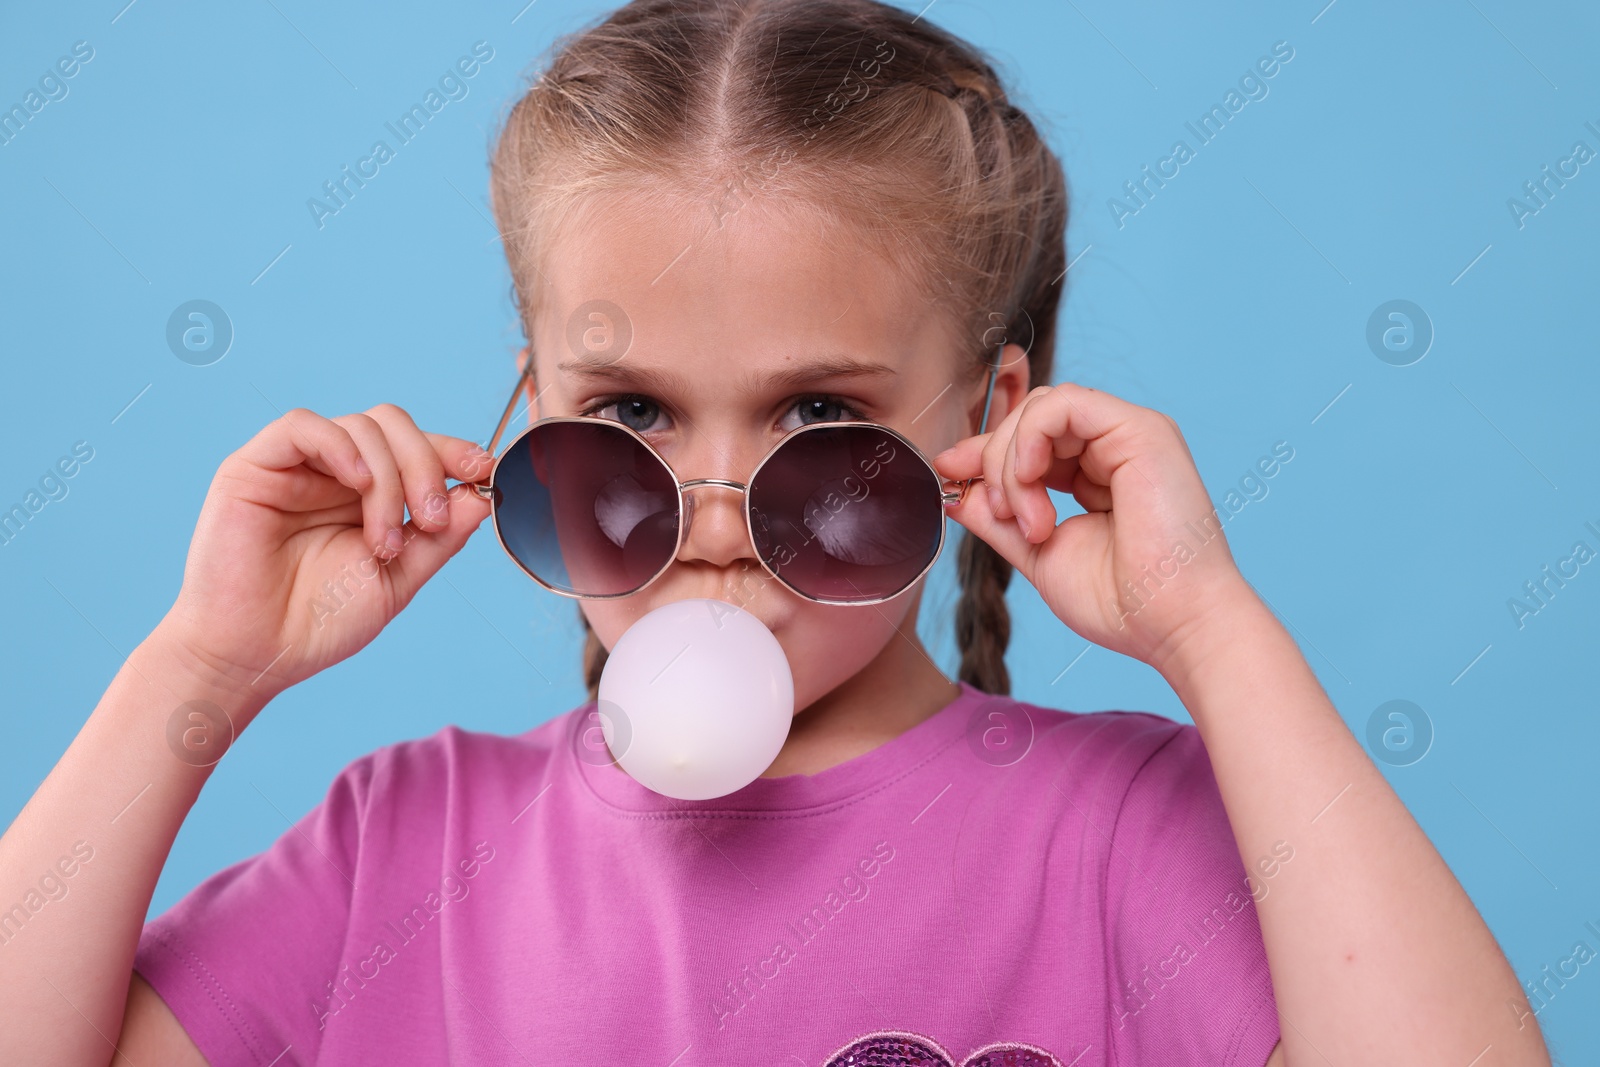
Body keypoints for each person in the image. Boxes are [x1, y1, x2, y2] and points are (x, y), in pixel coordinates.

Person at [0, 0, 1550, 1063]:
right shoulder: (400, 857)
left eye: (820, 419)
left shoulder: (1119, 842)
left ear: (983, 426)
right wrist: (197, 672)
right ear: (530, 407)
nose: (722, 527)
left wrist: (1217, 635)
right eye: (632, 420)